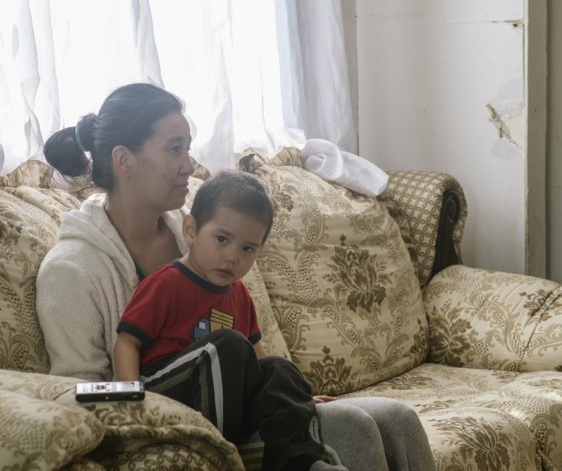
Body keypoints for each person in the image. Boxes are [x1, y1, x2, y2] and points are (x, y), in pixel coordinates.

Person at [37, 82, 436, 471]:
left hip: (243, 409)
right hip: (166, 429)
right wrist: (139, 402)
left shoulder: (202, 235)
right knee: (351, 427)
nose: (188, 164)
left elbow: (248, 350)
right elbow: (73, 394)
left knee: (398, 419)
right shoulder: (72, 270)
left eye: (188, 148)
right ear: (124, 161)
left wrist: (292, 398)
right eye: (174, 148)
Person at [114, 170, 345, 471]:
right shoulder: (166, 283)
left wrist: (295, 398)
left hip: (224, 400)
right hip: (167, 391)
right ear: (191, 230)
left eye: (247, 248)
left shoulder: (240, 294)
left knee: (278, 366)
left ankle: (301, 461)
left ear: (259, 251)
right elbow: (127, 343)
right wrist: (131, 402)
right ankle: (219, 456)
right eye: (222, 239)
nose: (232, 257)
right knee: (226, 346)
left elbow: (258, 364)